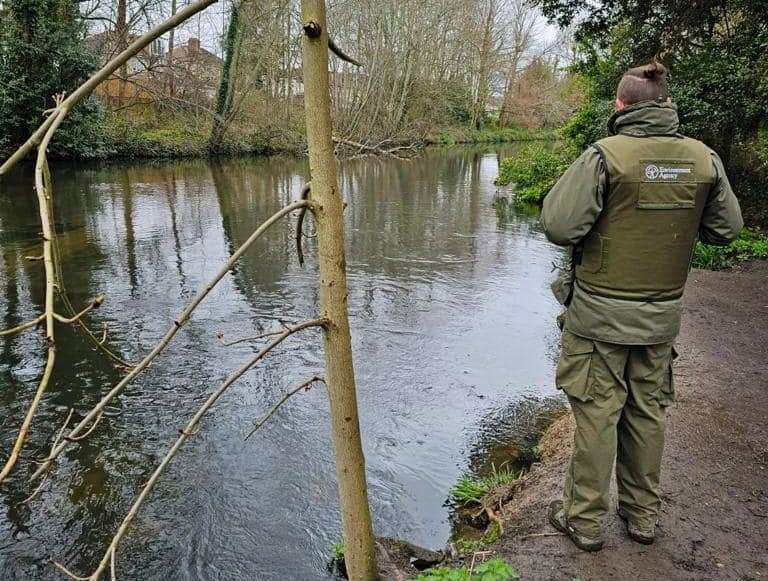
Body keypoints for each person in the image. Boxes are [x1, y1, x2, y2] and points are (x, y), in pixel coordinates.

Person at [540, 62, 743, 552]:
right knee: (648, 413)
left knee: (596, 415)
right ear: (667, 106)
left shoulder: (606, 157)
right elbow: (725, 231)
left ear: (621, 106)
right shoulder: (703, 160)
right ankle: (642, 518)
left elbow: (559, 226)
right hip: (659, 320)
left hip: (598, 320)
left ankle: (584, 521)